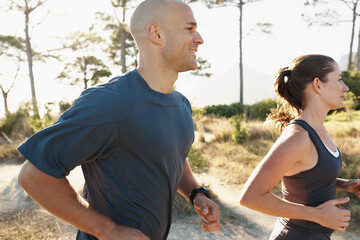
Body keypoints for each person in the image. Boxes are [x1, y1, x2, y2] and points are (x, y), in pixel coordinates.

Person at [17, 0, 221, 239]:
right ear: (156, 33)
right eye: (189, 28)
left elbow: (174, 155)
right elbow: (33, 176)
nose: (199, 39)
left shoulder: (181, 105)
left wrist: (196, 193)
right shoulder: (109, 103)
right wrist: (107, 230)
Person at [239, 54, 360, 240]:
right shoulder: (298, 138)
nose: (345, 87)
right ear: (318, 84)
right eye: (339, 79)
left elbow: (307, 177)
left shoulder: (317, 130)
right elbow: (250, 197)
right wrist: (317, 215)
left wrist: (344, 184)